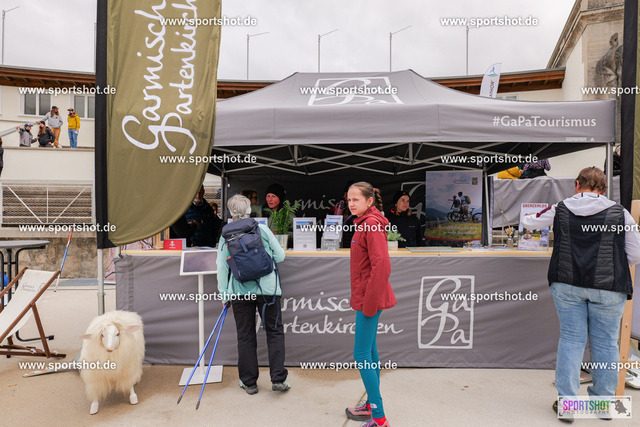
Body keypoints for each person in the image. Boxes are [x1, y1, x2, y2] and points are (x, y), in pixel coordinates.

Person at [521, 167, 640, 422]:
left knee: (571, 340)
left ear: (577, 184)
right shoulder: (621, 213)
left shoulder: (560, 208)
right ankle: (603, 405)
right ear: (604, 189)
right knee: (607, 343)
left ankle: (568, 404)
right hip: (608, 287)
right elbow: (635, 254)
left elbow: (529, 221)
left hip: (567, 284)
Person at [216, 194, 289, 395]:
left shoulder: (225, 235)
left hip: (240, 291)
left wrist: (224, 294)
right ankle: (278, 379)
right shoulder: (262, 229)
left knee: (246, 335)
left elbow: (222, 267)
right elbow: (280, 256)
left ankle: (249, 383)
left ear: (231, 212)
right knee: (274, 332)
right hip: (268, 290)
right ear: (249, 210)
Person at [345, 182, 396, 427]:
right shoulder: (364, 222)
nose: (351, 204)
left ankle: (379, 417)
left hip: (369, 299)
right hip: (366, 297)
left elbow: (382, 265)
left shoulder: (372, 225)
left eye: (356, 199)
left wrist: (370, 303)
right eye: (349, 200)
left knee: (362, 354)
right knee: (371, 352)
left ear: (369, 201)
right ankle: (370, 405)